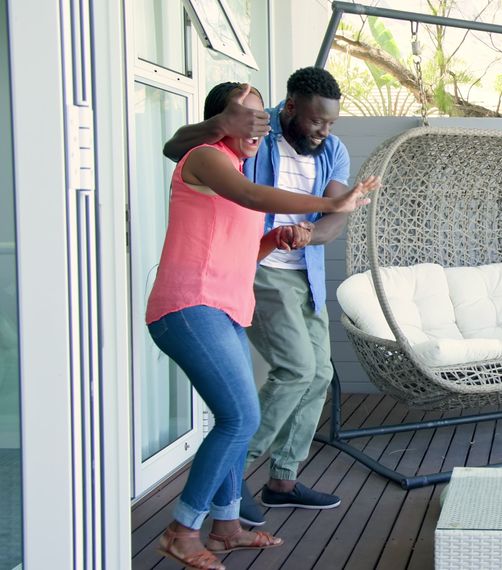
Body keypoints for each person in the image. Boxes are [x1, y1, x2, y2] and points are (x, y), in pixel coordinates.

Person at [150, 81, 378, 570]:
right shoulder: (207, 156)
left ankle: (227, 526)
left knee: (241, 414)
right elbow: (253, 196)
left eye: (261, 117)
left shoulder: (233, 164)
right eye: (248, 117)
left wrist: (276, 238)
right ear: (222, 120)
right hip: (189, 306)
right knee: (241, 418)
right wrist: (332, 205)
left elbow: (241, 250)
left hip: (223, 307)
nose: (259, 126)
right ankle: (181, 529)